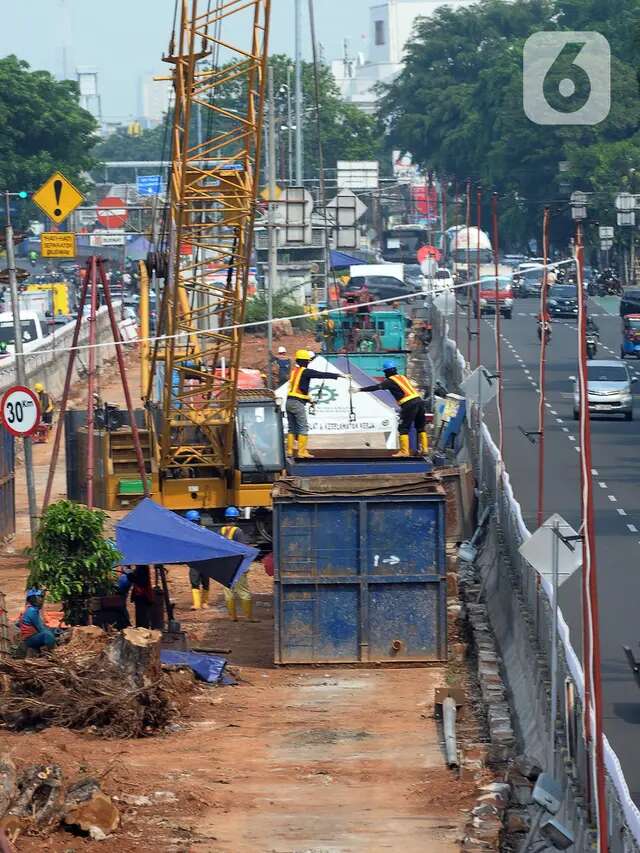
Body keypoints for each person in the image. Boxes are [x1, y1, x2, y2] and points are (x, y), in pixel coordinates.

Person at [356, 360, 428, 457]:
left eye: (384, 372)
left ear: (387, 372)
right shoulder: (403, 377)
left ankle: (404, 452)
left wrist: (360, 389)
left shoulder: (390, 381)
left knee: (403, 428)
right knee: (420, 427)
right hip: (419, 401)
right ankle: (425, 449)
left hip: (409, 404)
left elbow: (376, 387)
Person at [286, 349, 346, 458]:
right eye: (308, 361)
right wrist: (338, 375)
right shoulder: (305, 371)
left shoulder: (294, 371)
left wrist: (309, 399)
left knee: (292, 428)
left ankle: (290, 451)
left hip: (289, 402)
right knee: (303, 427)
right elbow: (321, 374)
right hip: (297, 403)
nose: (309, 362)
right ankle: (301, 452)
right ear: (305, 361)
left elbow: (298, 389)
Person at [219, 506, 254, 621]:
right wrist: (245, 566)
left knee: (228, 591)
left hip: (224, 566)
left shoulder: (221, 530)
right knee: (244, 591)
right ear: (236, 518)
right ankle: (248, 617)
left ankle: (232, 617)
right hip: (237, 566)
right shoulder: (238, 531)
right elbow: (242, 549)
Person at [185, 509, 211, 610]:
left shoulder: (203, 531)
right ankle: (198, 603)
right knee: (196, 581)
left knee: (203, 581)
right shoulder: (188, 533)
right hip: (196, 561)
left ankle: (204, 602)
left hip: (203, 560)